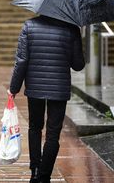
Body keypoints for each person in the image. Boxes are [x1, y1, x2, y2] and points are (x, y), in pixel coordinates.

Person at [8, 15, 85, 183]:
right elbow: (78, 65)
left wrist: (14, 88)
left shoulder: (29, 25)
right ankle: (44, 176)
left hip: (35, 86)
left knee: (35, 128)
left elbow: (21, 61)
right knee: (53, 134)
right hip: (59, 88)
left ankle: (35, 171)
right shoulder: (71, 29)